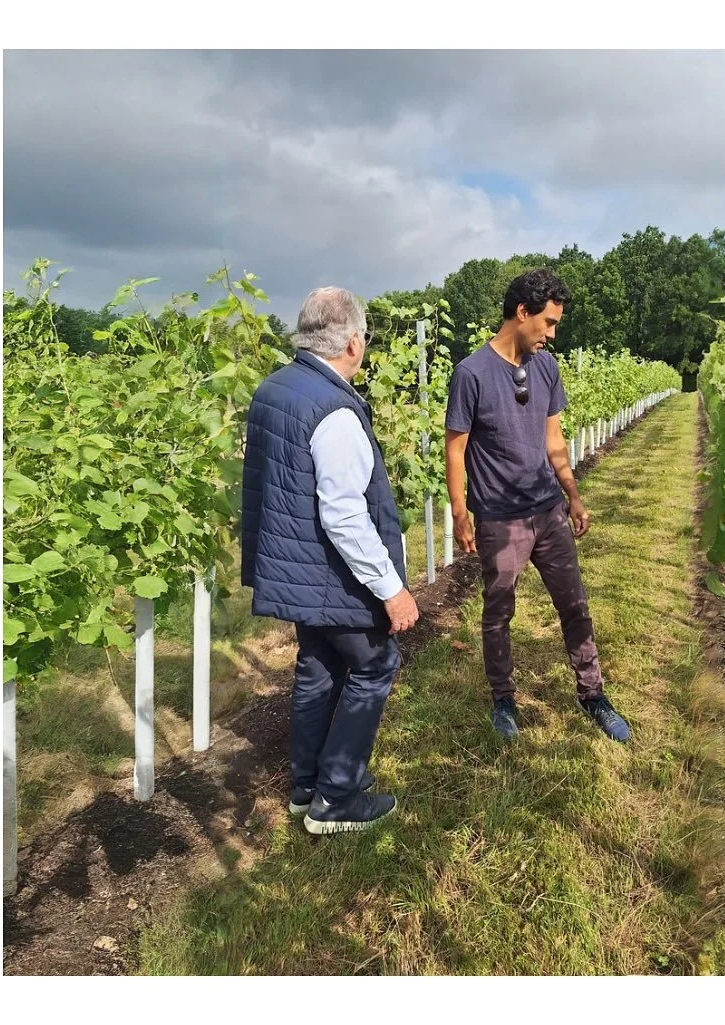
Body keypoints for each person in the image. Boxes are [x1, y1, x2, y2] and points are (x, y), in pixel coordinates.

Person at [241, 286, 419, 834]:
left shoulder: (276, 387)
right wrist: (391, 589)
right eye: (362, 337)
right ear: (352, 343)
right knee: (374, 666)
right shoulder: (334, 409)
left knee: (319, 666)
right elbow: (345, 515)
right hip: (331, 574)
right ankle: (336, 798)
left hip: (298, 569)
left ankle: (306, 785)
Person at [444, 268, 631, 743]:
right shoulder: (471, 374)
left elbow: (553, 438)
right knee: (499, 609)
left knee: (574, 603)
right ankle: (503, 700)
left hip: (548, 511)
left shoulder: (547, 368)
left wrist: (572, 493)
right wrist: (461, 515)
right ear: (521, 312)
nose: (551, 334)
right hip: (499, 518)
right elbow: (456, 449)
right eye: (547, 323)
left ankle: (593, 695)